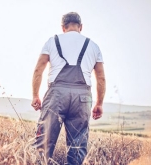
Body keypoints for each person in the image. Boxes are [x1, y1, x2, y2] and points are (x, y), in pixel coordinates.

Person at [31, 12, 105, 165]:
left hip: (56, 95)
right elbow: (101, 78)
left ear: (63, 27)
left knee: (44, 143)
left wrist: (35, 95)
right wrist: (99, 104)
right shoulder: (93, 46)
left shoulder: (52, 41)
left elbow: (39, 69)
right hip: (83, 98)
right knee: (77, 146)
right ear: (81, 27)